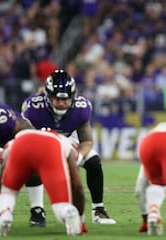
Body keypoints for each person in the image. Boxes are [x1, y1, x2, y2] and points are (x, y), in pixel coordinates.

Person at [21, 69, 116, 224]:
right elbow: (26, 140)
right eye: (56, 98)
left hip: (67, 143)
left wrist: (78, 156)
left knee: (93, 161)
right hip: (41, 145)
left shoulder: (81, 108)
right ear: (47, 96)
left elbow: (86, 141)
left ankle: (99, 210)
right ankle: (37, 211)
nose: (61, 103)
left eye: (65, 99)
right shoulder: (33, 109)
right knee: (32, 164)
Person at [0, 128, 87, 236]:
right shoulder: (67, 143)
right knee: (60, 204)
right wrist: (81, 220)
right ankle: (67, 211)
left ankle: (6, 214)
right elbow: (77, 186)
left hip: (21, 143)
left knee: (8, 193)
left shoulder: (13, 142)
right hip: (51, 148)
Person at [0, 100, 45, 227]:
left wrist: (11, 152)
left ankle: (37, 210)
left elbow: (28, 132)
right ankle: (0, 210)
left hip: (9, 140)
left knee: (31, 161)